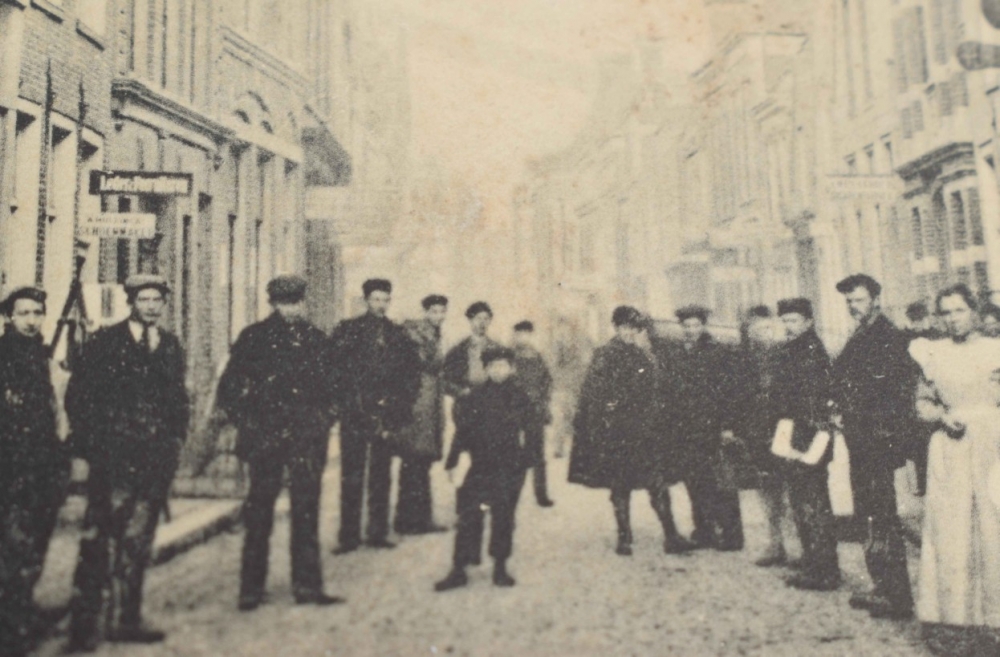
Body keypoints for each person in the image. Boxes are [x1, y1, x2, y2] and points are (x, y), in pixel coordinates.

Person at [65, 275, 189, 650]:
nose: (151, 306)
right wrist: (95, 447)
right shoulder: (105, 343)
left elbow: (177, 400)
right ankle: (85, 625)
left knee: (138, 542)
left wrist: (174, 441)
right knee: (99, 541)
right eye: (144, 299)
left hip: (152, 464)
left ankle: (127, 619)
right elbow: (79, 398)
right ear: (131, 302)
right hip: (113, 462)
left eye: (157, 300)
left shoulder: (170, 346)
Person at [216, 276, 343, 611]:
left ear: (304, 302)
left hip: (306, 439)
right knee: (259, 512)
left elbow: (335, 387)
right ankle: (251, 589)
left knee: (306, 510)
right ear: (273, 303)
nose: (292, 309)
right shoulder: (254, 338)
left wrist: (323, 420)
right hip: (266, 438)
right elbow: (229, 388)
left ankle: (308, 586)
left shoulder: (316, 339)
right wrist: (249, 423)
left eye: (297, 302)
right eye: (286, 303)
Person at [909, 284, 1000, 630]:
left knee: (993, 527)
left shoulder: (995, 349)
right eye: (946, 312)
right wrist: (942, 417)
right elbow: (922, 403)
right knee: (952, 529)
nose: (953, 319)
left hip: (992, 444)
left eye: (959, 310)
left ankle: (994, 616)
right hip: (950, 448)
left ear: (974, 312)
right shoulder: (933, 353)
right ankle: (957, 616)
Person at [832, 273, 916, 620]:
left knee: (882, 516)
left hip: (877, 442)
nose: (854, 306)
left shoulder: (886, 336)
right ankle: (882, 586)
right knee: (870, 513)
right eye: (849, 301)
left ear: (876, 300)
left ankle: (896, 595)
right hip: (861, 439)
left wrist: (885, 436)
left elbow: (895, 392)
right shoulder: (862, 332)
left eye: (860, 300)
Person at [569, 306, 671, 556]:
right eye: (625, 327)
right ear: (616, 328)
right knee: (621, 486)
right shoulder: (606, 354)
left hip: (643, 430)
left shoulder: (642, 355)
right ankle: (624, 537)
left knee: (656, 483)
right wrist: (607, 413)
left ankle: (671, 535)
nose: (630, 332)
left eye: (634, 328)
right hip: (618, 432)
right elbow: (594, 393)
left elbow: (653, 389)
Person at [0, 287, 69, 655]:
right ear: (9, 317)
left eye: (37, 313)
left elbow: (56, 412)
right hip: (10, 470)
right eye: (23, 313)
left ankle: (22, 612)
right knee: (14, 548)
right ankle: (11, 629)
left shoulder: (45, 358)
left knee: (36, 546)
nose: (31, 320)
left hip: (44, 468)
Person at [329, 279, 421, 554]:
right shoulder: (348, 330)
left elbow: (411, 375)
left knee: (381, 474)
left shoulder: (398, 335)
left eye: (385, 300)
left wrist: (398, 405)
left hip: (385, 413)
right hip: (355, 412)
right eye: (376, 299)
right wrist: (345, 402)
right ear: (366, 300)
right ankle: (348, 536)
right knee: (351, 474)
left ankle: (377, 532)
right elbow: (334, 370)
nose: (381, 305)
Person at [435, 346, 533, 591]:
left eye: (503, 366)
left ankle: (500, 567)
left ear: (511, 368)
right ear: (486, 369)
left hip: (509, 467)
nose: (498, 370)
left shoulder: (520, 397)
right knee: (468, 515)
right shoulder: (475, 397)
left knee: (503, 518)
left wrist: (526, 461)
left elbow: (533, 432)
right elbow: (463, 432)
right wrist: (453, 460)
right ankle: (459, 569)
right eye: (493, 366)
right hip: (480, 466)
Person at [771, 298, 841, 591]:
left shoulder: (810, 352)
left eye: (794, 321)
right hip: (798, 432)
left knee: (812, 504)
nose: (789, 326)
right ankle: (816, 562)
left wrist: (802, 439)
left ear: (808, 322)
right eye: (785, 320)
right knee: (805, 502)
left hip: (807, 436)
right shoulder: (796, 349)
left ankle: (822, 570)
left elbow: (810, 400)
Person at [661, 305, 742, 551]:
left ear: (704, 326)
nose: (691, 330)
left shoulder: (718, 352)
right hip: (686, 428)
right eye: (687, 326)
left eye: (696, 325)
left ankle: (731, 535)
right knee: (694, 481)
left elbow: (729, 392)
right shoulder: (676, 353)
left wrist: (727, 425)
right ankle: (704, 531)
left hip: (712, 427)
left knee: (721, 483)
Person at [730, 305, 786, 566]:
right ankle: (776, 544)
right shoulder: (741, 360)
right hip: (757, 431)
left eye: (768, 327)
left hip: (783, 429)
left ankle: (796, 546)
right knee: (767, 489)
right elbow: (735, 396)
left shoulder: (783, 354)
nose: (765, 333)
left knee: (789, 490)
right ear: (749, 331)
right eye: (759, 328)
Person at [393, 294, 450, 535]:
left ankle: (415, 519)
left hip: (428, 404)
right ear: (425, 312)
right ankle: (411, 520)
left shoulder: (432, 334)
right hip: (418, 404)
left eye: (442, 311)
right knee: (415, 461)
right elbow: (426, 364)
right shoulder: (417, 335)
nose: (439, 316)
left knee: (420, 463)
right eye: (434, 311)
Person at [511, 320, 555, 508]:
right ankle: (511, 493)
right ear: (515, 335)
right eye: (520, 334)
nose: (523, 337)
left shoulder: (537, 356)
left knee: (538, 455)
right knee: (514, 454)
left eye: (527, 334)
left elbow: (547, 381)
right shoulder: (509, 356)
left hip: (535, 412)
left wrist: (543, 400)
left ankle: (541, 494)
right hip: (515, 412)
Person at [442, 301, 503, 398]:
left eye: (486, 318)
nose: (482, 323)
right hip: (467, 398)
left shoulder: (497, 348)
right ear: (470, 320)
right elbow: (446, 380)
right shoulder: (459, 349)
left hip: (491, 397)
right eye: (478, 318)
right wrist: (461, 391)